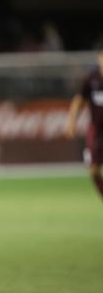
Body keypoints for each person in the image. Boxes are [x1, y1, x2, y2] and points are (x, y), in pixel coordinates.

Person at [64, 50, 103, 200]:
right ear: (99, 58)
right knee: (93, 170)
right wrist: (71, 122)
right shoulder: (91, 79)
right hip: (97, 131)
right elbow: (79, 100)